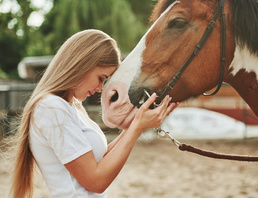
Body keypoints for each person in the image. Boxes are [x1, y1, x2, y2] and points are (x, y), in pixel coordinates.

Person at [9, 29, 178, 198]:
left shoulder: (73, 106)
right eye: (101, 78)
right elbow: (96, 181)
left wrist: (138, 123)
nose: (100, 89)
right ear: (82, 65)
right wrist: (137, 127)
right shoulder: (52, 108)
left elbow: (99, 158)